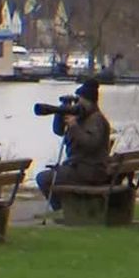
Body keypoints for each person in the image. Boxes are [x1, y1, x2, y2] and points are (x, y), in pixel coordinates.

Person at [36, 78, 112, 211]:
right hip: (85, 169)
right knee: (48, 176)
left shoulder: (96, 120)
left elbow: (91, 144)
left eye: (80, 101)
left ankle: (60, 209)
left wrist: (74, 127)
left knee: (43, 178)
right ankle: (65, 209)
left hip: (89, 171)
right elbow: (59, 131)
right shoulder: (85, 118)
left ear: (89, 102)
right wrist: (61, 113)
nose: (78, 106)